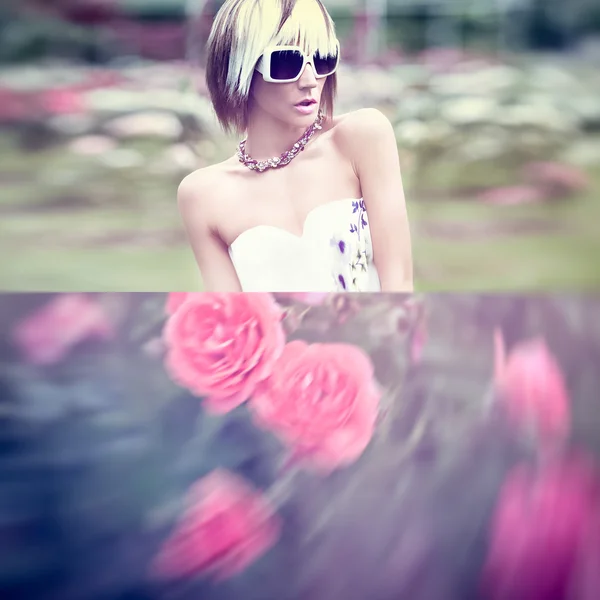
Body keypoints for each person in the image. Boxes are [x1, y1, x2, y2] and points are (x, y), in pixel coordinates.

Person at [178, 0, 413, 292]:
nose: (310, 80)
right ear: (240, 67)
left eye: (323, 57)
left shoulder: (361, 137)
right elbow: (232, 321)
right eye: (286, 62)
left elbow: (399, 284)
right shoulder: (202, 195)